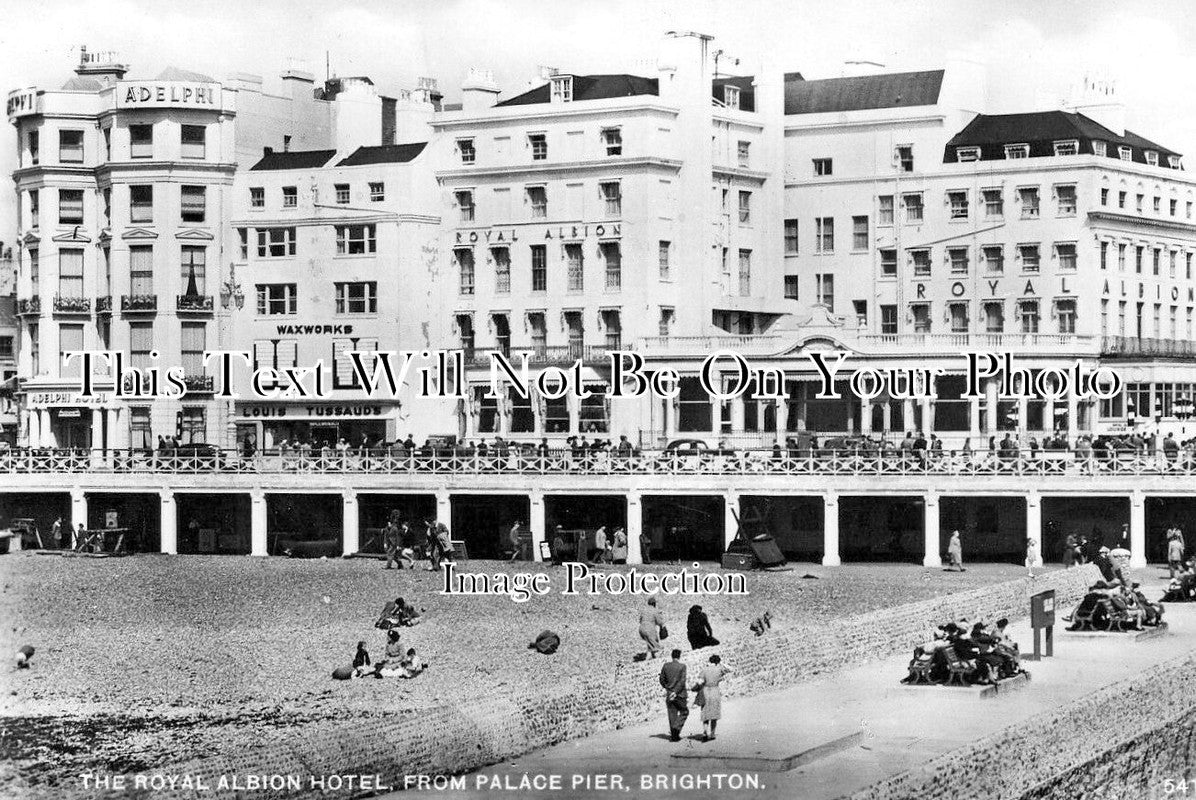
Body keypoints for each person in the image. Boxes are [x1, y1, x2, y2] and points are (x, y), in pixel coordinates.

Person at [695, 654, 732, 741]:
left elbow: (699, 682)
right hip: (715, 691)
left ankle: (704, 732)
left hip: (706, 691)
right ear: (717, 662)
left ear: (710, 661)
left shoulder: (704, 670)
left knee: (705, 713)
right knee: (714, 713)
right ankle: (712, 733)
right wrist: (721, 663)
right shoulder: (719, 669)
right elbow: (730, 669)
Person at [659, 649, 689, 742]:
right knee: (684, 712)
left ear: (671, 656)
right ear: (679, 656)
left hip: (669, 693)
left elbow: (661, 679)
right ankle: (676, 729)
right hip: (680, 694)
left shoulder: (666, 666)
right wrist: (675, 692)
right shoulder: (682, 666)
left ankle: (674, 736)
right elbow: (682, 681)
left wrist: (668, 689)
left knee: (672, 714)